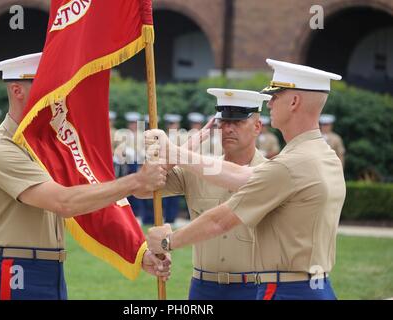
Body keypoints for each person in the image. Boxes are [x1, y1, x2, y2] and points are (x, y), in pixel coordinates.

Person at [0, 53, 170, 300]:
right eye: (47, 86)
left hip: (50, 270)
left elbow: (87, 201)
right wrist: (136, 181)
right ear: (17, 90)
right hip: (15, 270)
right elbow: (64, 202)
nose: (58, 95)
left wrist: (139, 254)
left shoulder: (47, 146)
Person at [145, 59, 346, 300]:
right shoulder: (322, 156)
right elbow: (243, 176)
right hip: (311, 286)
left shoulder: (289, 164)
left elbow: (220, 221)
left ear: (294, 102)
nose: (270, 102)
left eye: (276, 96)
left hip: (288, 290)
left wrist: (168, 242)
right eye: (224, 122)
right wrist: (183, 150)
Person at [139, 89, 270, 300]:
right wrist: (191, 143)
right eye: (224, 122)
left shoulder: (273, 173)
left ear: (257, 127)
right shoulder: (196, 170)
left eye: (237, 122)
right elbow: (142, 187)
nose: (228, 128)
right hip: (203, 288)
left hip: (253, 288)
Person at [162, 113, 188, 224]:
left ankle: (172, 218)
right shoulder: (164, 135)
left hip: (178, 166)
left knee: (176, 194)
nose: (172, 126)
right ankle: (168, 218)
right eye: (170, 124)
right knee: (166, 194)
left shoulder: (181, 136)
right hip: (166, 166)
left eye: (174, 124)